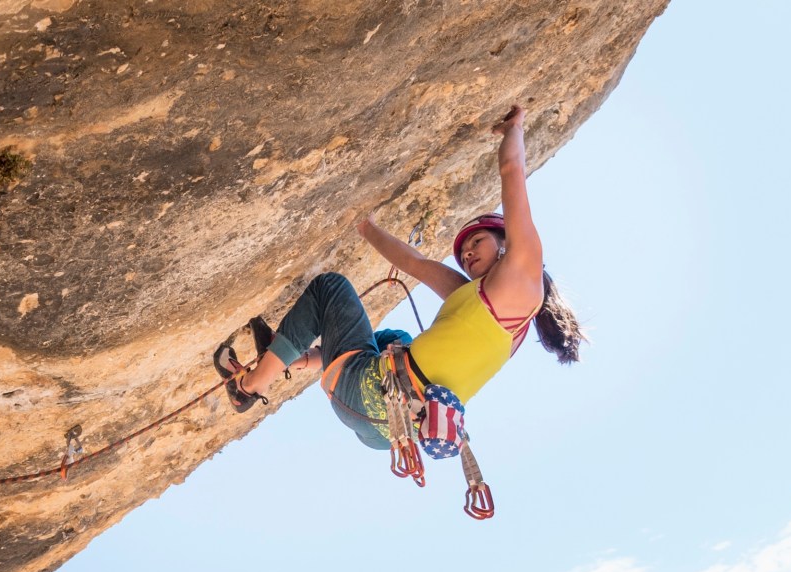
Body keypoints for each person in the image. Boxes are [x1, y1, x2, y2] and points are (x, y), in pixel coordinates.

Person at [214, 105, 585, 456]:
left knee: (330, 288)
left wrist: (515, 127)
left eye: (477, 242)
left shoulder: (522, 274)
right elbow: (416, 263)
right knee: (396, 340)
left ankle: (249, 386)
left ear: (506, 246)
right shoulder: (481, 300)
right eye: (463, 252)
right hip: (386, 433)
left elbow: (512, 171)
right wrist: (365, 227)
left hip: (368, 392)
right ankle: (293, 360)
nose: (468, 253)